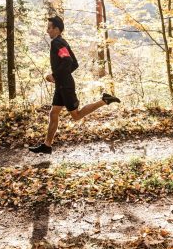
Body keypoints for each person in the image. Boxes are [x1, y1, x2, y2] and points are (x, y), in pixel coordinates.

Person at [29, 16, 120, 154]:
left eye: (49, 27)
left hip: (65, 86)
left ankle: (104, 100)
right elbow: (74, 63)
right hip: (62, 84)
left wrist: (55, 76)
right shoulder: (62, 42)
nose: (47, 30)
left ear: (56, 29)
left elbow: (67, 61)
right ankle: (47, 145)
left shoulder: (57, 43)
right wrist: (61, 76)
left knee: (76, 116)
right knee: (54, 113)